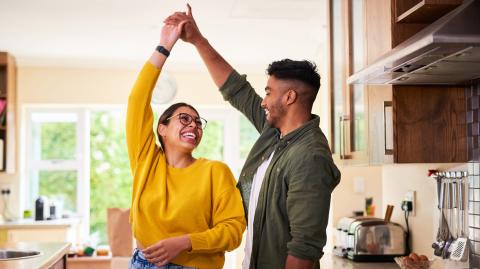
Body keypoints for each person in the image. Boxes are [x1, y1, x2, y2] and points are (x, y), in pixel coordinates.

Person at [164, 5, 341, 269]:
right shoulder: (276, 134)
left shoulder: (309, 157)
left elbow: (304, 250)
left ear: (289, 97)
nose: (263, 101)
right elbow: (237, 90)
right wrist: (198, 41)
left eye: (269, 92)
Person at [126, 20, 246, 269]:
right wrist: (164, 46)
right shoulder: (146, 160)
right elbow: (137, 100)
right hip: (143, 264)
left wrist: (186, 242)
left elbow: (233, 230)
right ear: (163, 128)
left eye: (198, 122)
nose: (193, 125)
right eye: (184, 119)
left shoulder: (215, 171)